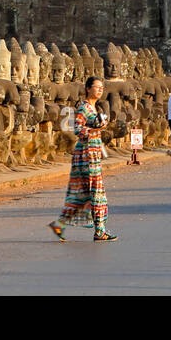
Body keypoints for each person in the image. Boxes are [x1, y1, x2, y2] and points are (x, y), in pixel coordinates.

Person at [49, 77, 115, 241]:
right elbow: (78, 130)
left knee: (85, 194)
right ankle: (99, 231)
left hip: (93, 152)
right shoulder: (84, 108)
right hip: (86, 154)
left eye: (102, 87)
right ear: (87, 88)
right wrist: (97, 128)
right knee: (96, 192)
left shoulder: (94, 108)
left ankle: (60, 225)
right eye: (97, 87)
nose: (100, 90)